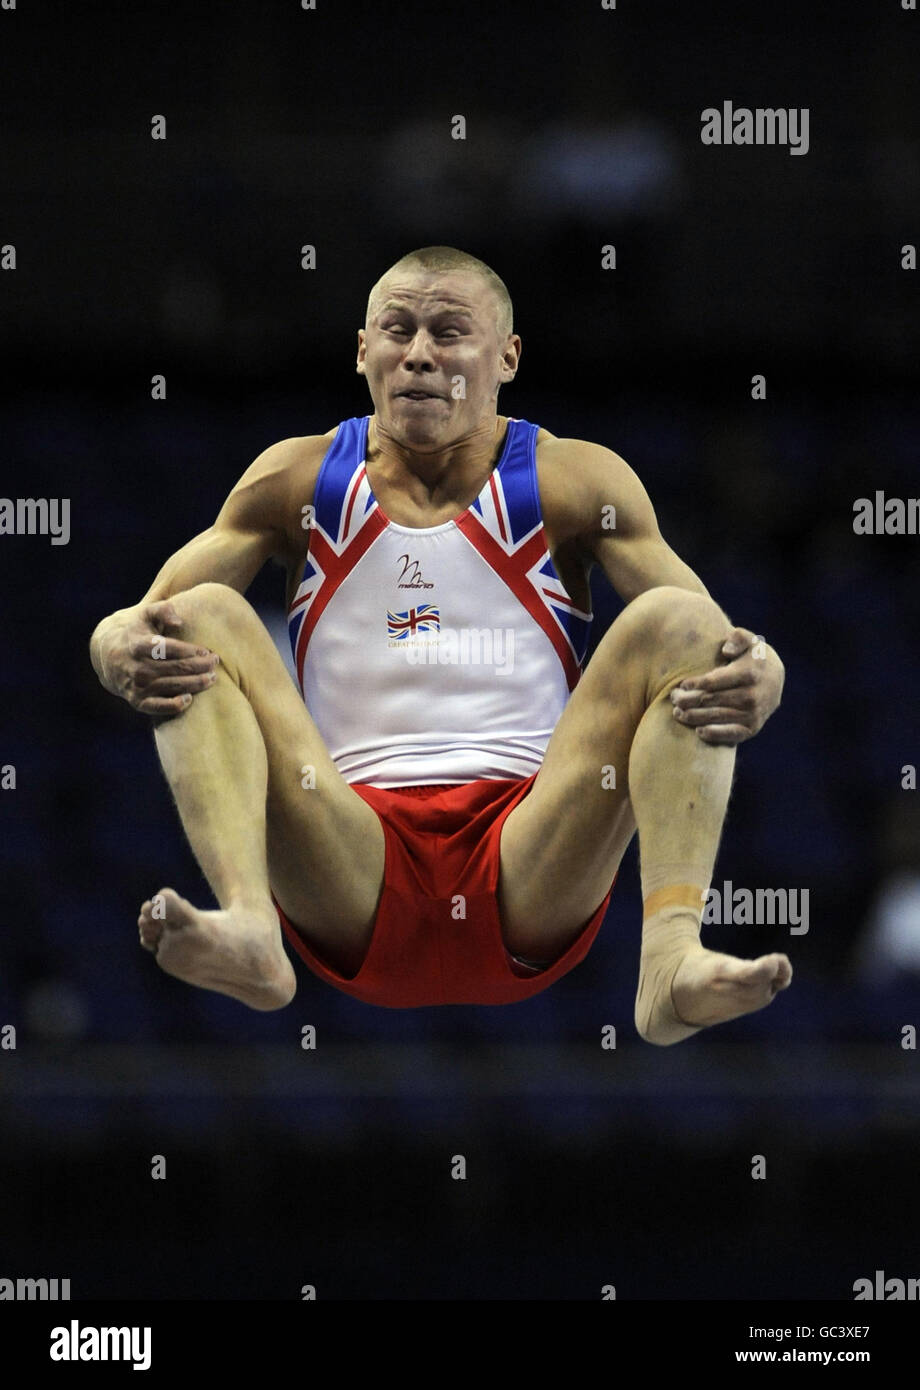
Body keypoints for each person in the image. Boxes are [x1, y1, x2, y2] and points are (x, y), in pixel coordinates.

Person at [89, 245, 791, 1044]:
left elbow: (712, 642)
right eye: (398, 329)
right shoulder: (297, 481)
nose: (419, 352)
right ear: (362, 350)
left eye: (450, 331)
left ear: (508, 357)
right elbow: (144, 623)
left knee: (677, 622)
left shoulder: (573, 483)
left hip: (531, 858)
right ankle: (251, 926)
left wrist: (758, 665)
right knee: (200, 613)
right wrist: (112, 643)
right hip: (346, 857)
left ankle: (669, 956)